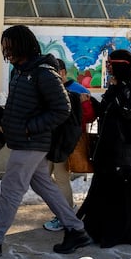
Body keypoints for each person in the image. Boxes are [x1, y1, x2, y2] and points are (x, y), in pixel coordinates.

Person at [0, 25, 90, 257]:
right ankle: (76, 229)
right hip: (23, 141)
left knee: (11, 191)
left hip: (32, 143)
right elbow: (26, 104)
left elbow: (62, 109)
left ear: (22, 45)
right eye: (4, 46)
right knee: (43, 185)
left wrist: (30, 128)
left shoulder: (43, 72)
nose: (5, 50)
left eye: (9, 45)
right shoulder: (21, 71)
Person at [77, 49, 131, 248]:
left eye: (111, 65)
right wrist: (90, 101)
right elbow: (107, 111)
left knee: (128, 193)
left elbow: (128, 111)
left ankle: (128, 233)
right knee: (108, 192)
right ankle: (102, 230)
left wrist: (117, 89)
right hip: (109, 148)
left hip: (129, 151)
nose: (109, 69)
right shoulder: (117, 85)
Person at [43, 58, 97, 232]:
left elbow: (89, 116)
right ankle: (65, 210)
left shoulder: (78, 90)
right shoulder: (50, 89)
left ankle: (65, 214)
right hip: (50, 142)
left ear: (63, 72)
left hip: (66, 142)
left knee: (61, 178)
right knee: (43, 177)